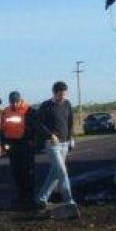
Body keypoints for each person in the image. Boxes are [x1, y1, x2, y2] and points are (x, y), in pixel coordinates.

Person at [33, 81, 79, 219]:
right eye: (60, 94)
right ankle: (69, 200)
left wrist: (71, 137)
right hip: (52, 144)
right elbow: (38, 124)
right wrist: (50, 134)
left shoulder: (67, 104)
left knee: (54, 173)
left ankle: (41, 198)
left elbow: (70, 121)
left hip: (65, 143)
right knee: (62, 171)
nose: (62, 97)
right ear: (54, 92)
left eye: (64, 94)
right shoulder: (46, 106)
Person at [1, 91, 35, 207]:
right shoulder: (6, 111)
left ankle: (30, 197)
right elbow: (2, 129)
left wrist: (32, 142)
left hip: (25, 144)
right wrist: (4, 144)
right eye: (12, 102)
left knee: (27, 171)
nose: (14, 104)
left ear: (20, 100)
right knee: (16, 172)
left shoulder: (29, 110)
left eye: (16, 102)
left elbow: (34, 128)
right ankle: (20, 195)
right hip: (12, 145)